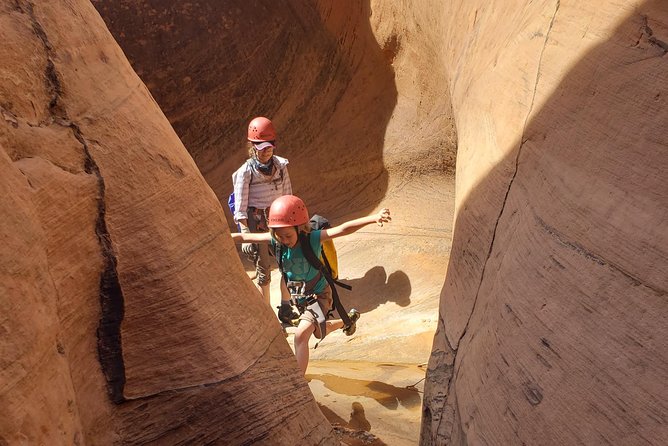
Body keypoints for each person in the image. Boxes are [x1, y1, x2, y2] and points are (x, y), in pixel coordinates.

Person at [231, 195, 392, 374]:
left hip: (319, 296)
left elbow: (343, 229)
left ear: (300, 228)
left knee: (300, 336)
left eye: (288, 235)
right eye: (279, 235)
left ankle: (300, 382)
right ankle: (346, 322)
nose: (284, 240)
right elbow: (242, 236)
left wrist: (373, 218)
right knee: (316, 332)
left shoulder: (312, 239)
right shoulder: (277, 241)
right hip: (301, 300)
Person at [231, 116, 297, 323]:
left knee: (288, 261)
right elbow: (240, 206)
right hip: (257, 223)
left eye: (269, 147)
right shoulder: (245, 173)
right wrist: (245, 234)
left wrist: (292, 220)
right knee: (263, 268)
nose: (266, 151)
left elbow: (288, 194)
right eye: (261, 148)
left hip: (279, 220)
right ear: (252, 147)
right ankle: (265, 314)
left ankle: (286, 308)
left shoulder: (280, 166)